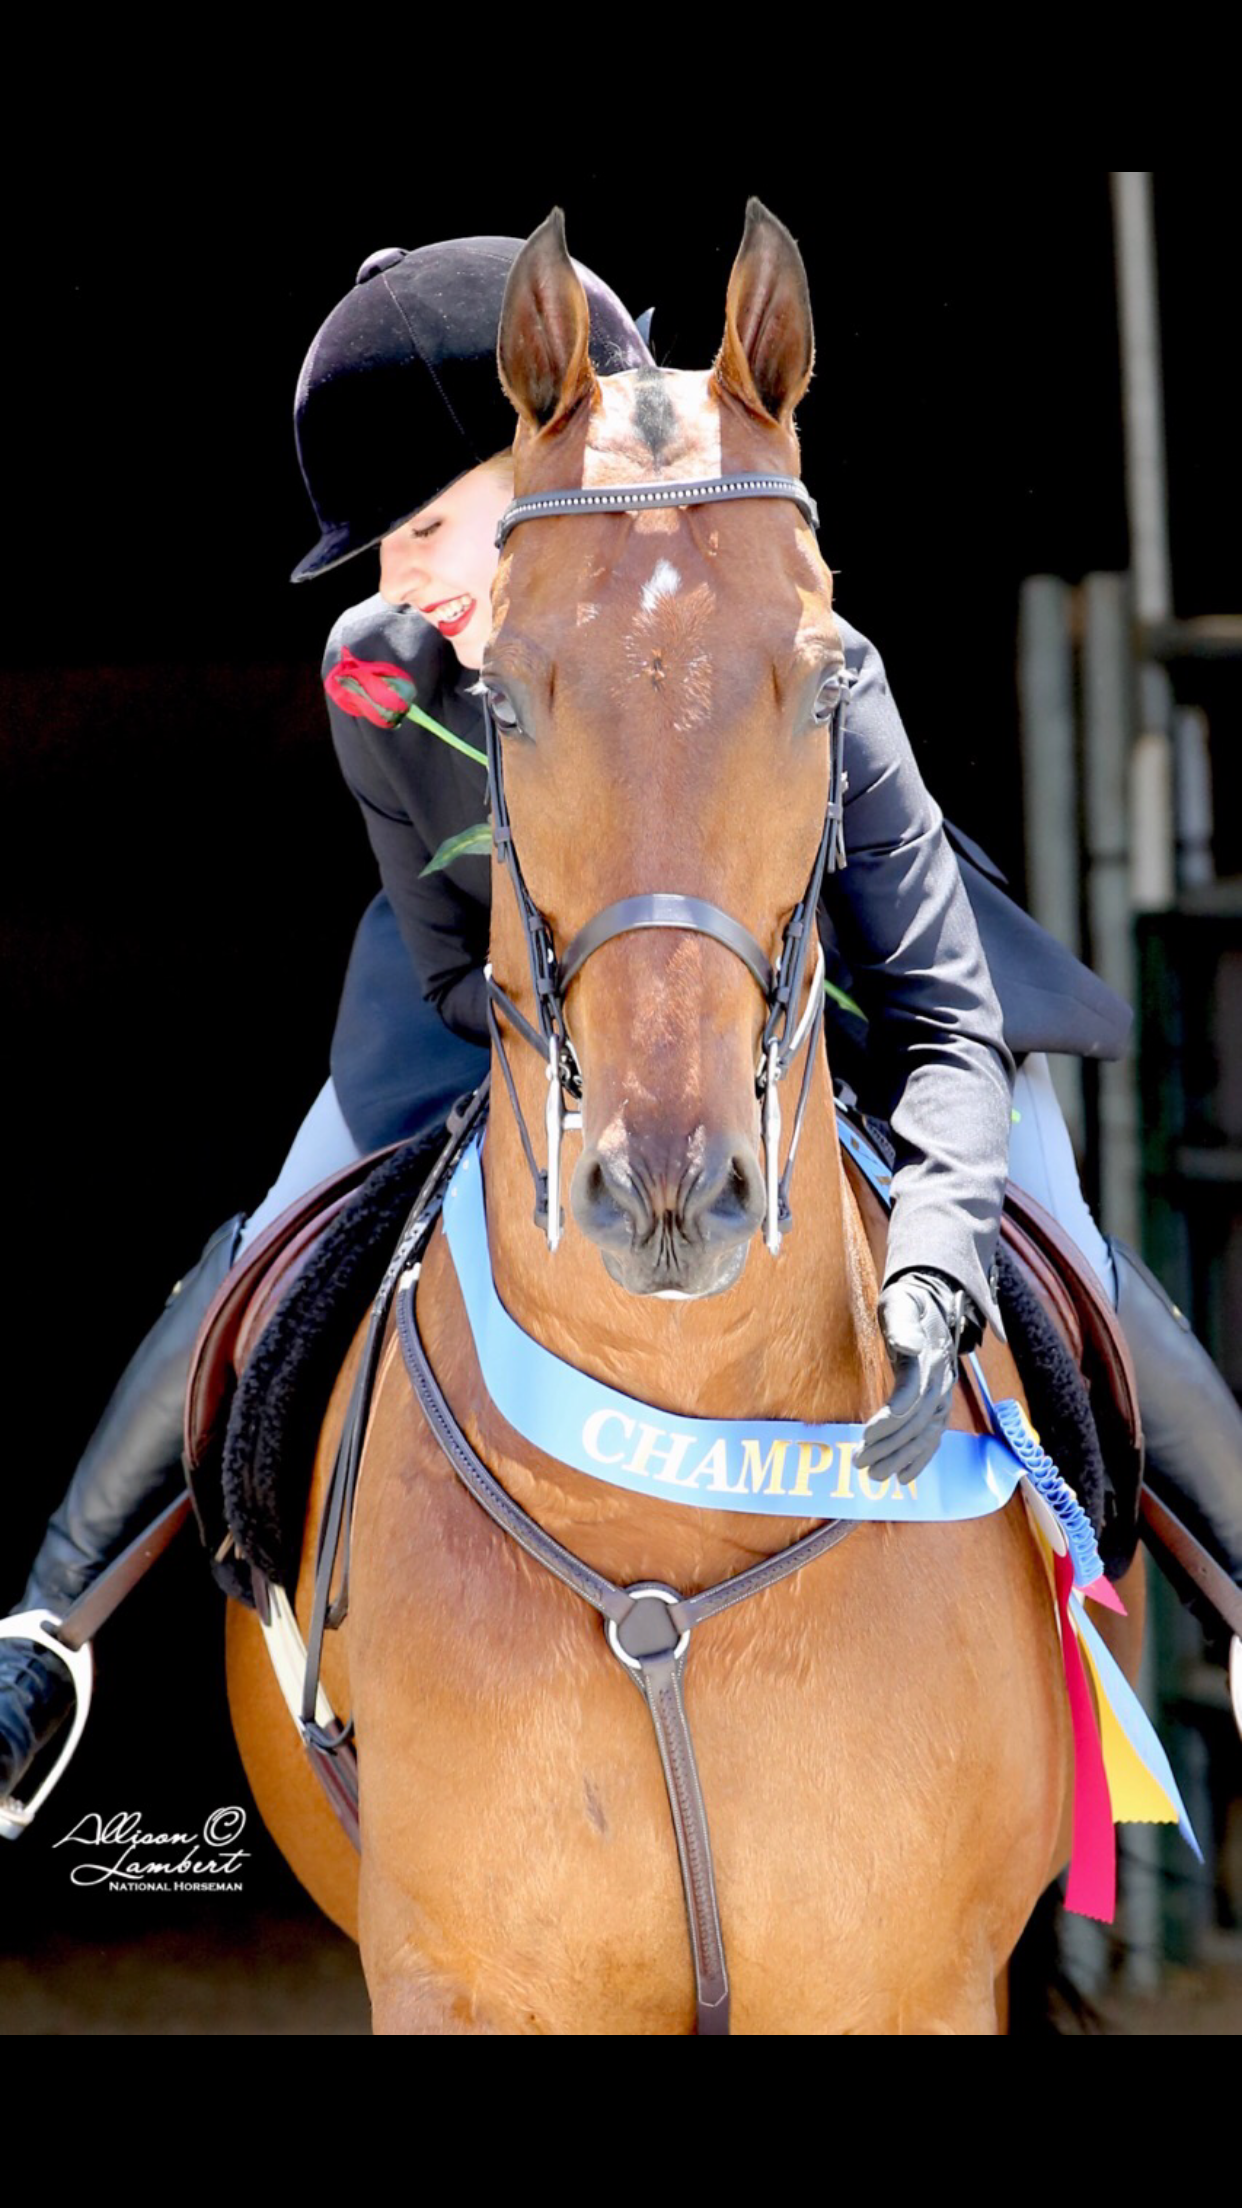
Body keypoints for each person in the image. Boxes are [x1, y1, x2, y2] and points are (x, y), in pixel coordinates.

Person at [3, 230, 1239, 1816]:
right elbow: (444, 945)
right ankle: (48, 1631)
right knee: (276, 1236)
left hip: (831, 989)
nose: (403, 584)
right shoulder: (379, 676)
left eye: (429, 525)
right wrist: (572, 1053)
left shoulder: (781, 645)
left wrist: (910, 1216)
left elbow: (932, 1001)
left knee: (1056, 1239)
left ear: (553, 465)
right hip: (488, 1008)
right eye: (381, 548)